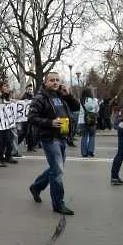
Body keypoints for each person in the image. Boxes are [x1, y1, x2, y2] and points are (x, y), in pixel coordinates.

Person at [28, 72, 80, 215]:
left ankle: (36, 187)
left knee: (55, 168)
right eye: (52, 80)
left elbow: (76, 108)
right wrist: (50, 122)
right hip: (49, 138)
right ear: (45, 82)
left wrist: (68, 95)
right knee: (57, 171)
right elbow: (32, 117)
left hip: (62, 137)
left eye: (57, 80)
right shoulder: (40, 98)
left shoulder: (61, 95)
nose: (55, 82)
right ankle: (58, 204)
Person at [78, 88, 99, 157]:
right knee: (92, 136)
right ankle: (90, 151)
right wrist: (95, 102)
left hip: (82, 121)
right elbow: (95, 109)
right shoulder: (92, 100)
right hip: (91, 120)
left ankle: (84, 153)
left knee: (84, 136)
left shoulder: (80, 100)